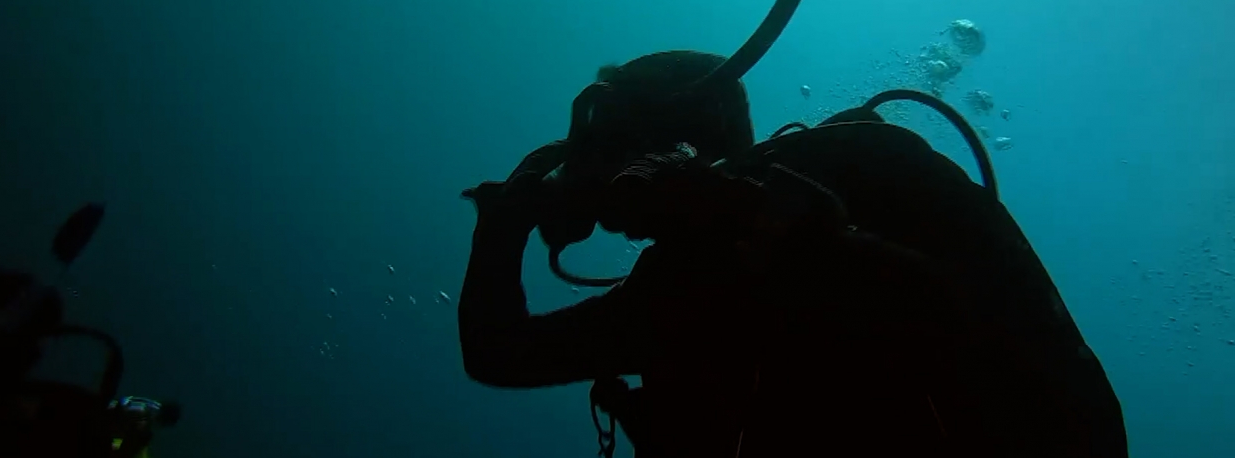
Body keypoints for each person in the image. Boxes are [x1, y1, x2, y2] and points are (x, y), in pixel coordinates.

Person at [459, 50, 1127, 458]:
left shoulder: (855, 162)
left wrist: (741, 212)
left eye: (610, 134)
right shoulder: (676, 284)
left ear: (669, 138)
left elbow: (971, 319)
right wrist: (502, 225)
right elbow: (500, 352)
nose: (586, 163)